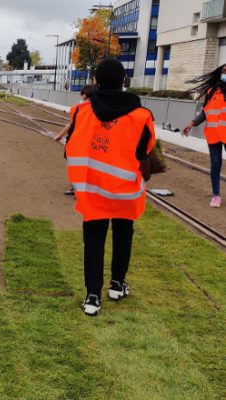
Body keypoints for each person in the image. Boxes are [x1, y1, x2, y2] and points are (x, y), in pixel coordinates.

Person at [66, 59, 155, 316]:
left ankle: (92, 296)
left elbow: (70, 147)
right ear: (123, 81)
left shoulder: (81, 112)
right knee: (123, 233)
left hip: (93, 191)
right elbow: (144, 151)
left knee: (93, 239)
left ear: (96, 81)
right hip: (126, 191)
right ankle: (117, 285)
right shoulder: (142, 116)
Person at [182, 64, 226, 208]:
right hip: (213, 135)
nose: (225, 74)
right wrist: (193, 123)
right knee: (215, 164)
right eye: (224, 71)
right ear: (219, 73)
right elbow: (206, 112)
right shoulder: (210, 91)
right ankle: (216, 195)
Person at [55, 84, 97, 195]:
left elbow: (70, 124)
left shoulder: (76, 108)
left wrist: (60, 135)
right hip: (92, 143)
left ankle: (76, 189)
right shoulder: (99, 109)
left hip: (75, 142)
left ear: (83, 95)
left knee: (74, 166)